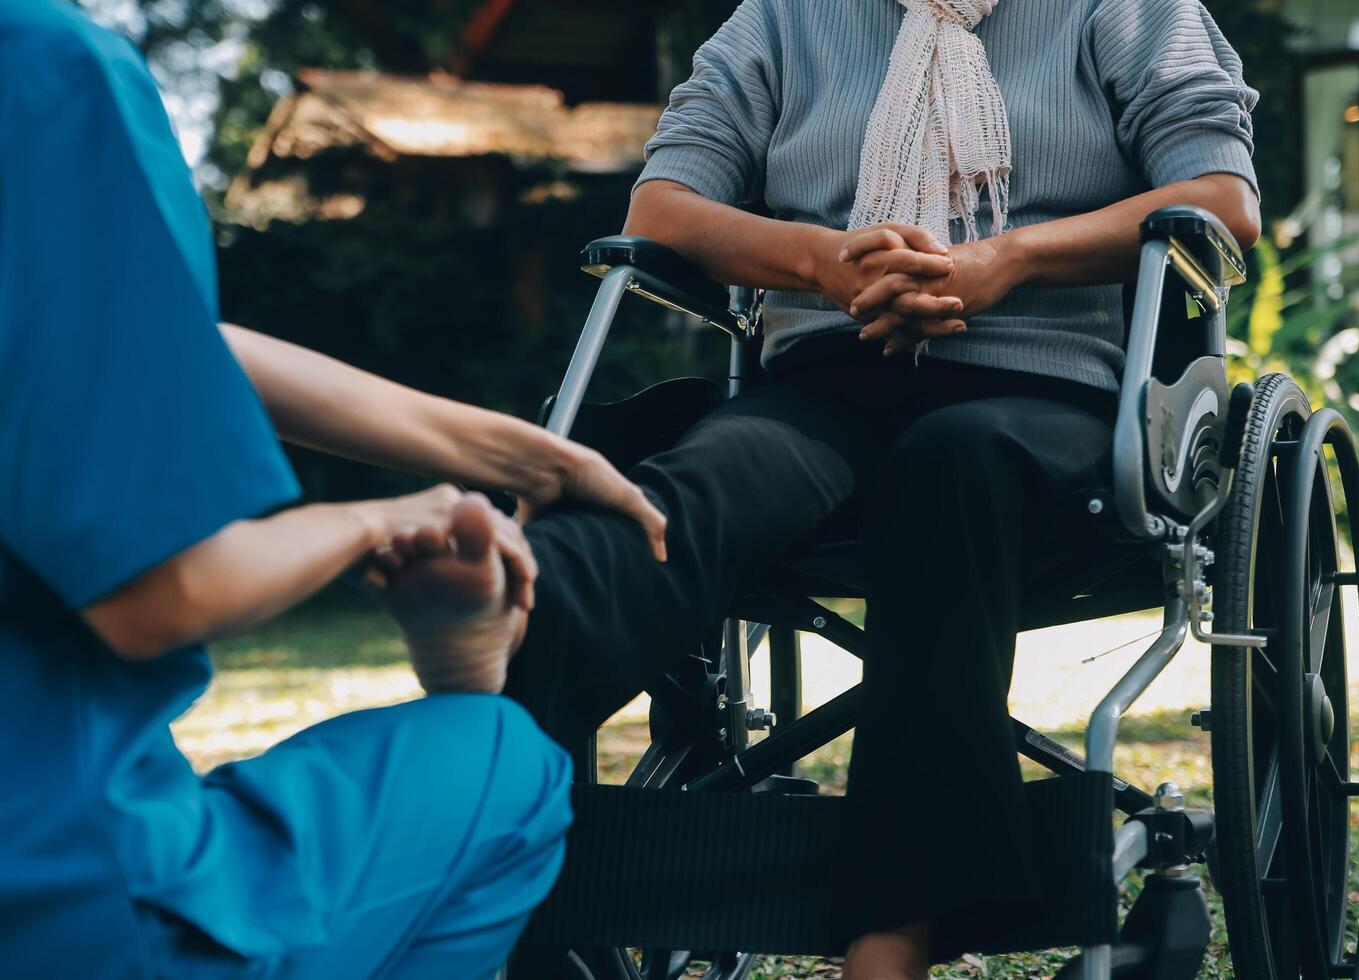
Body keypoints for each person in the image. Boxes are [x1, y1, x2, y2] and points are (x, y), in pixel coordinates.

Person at [500, 0, 1262, 977]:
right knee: (685, 492)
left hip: (1051, 394)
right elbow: (663, 210)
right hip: (825, 380)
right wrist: (821, 259)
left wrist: (1004, 260)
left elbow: (1221, 202)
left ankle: (891, 934)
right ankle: (509, 850)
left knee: (952, 461)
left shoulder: (1123, 9)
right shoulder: (786, 18)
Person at [0, 2, 665, 976]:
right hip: (63, 894)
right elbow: (166, 590)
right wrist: (381, 518)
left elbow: (115, 344)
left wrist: (518, 455)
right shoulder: (40, 68)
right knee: (504, 767)